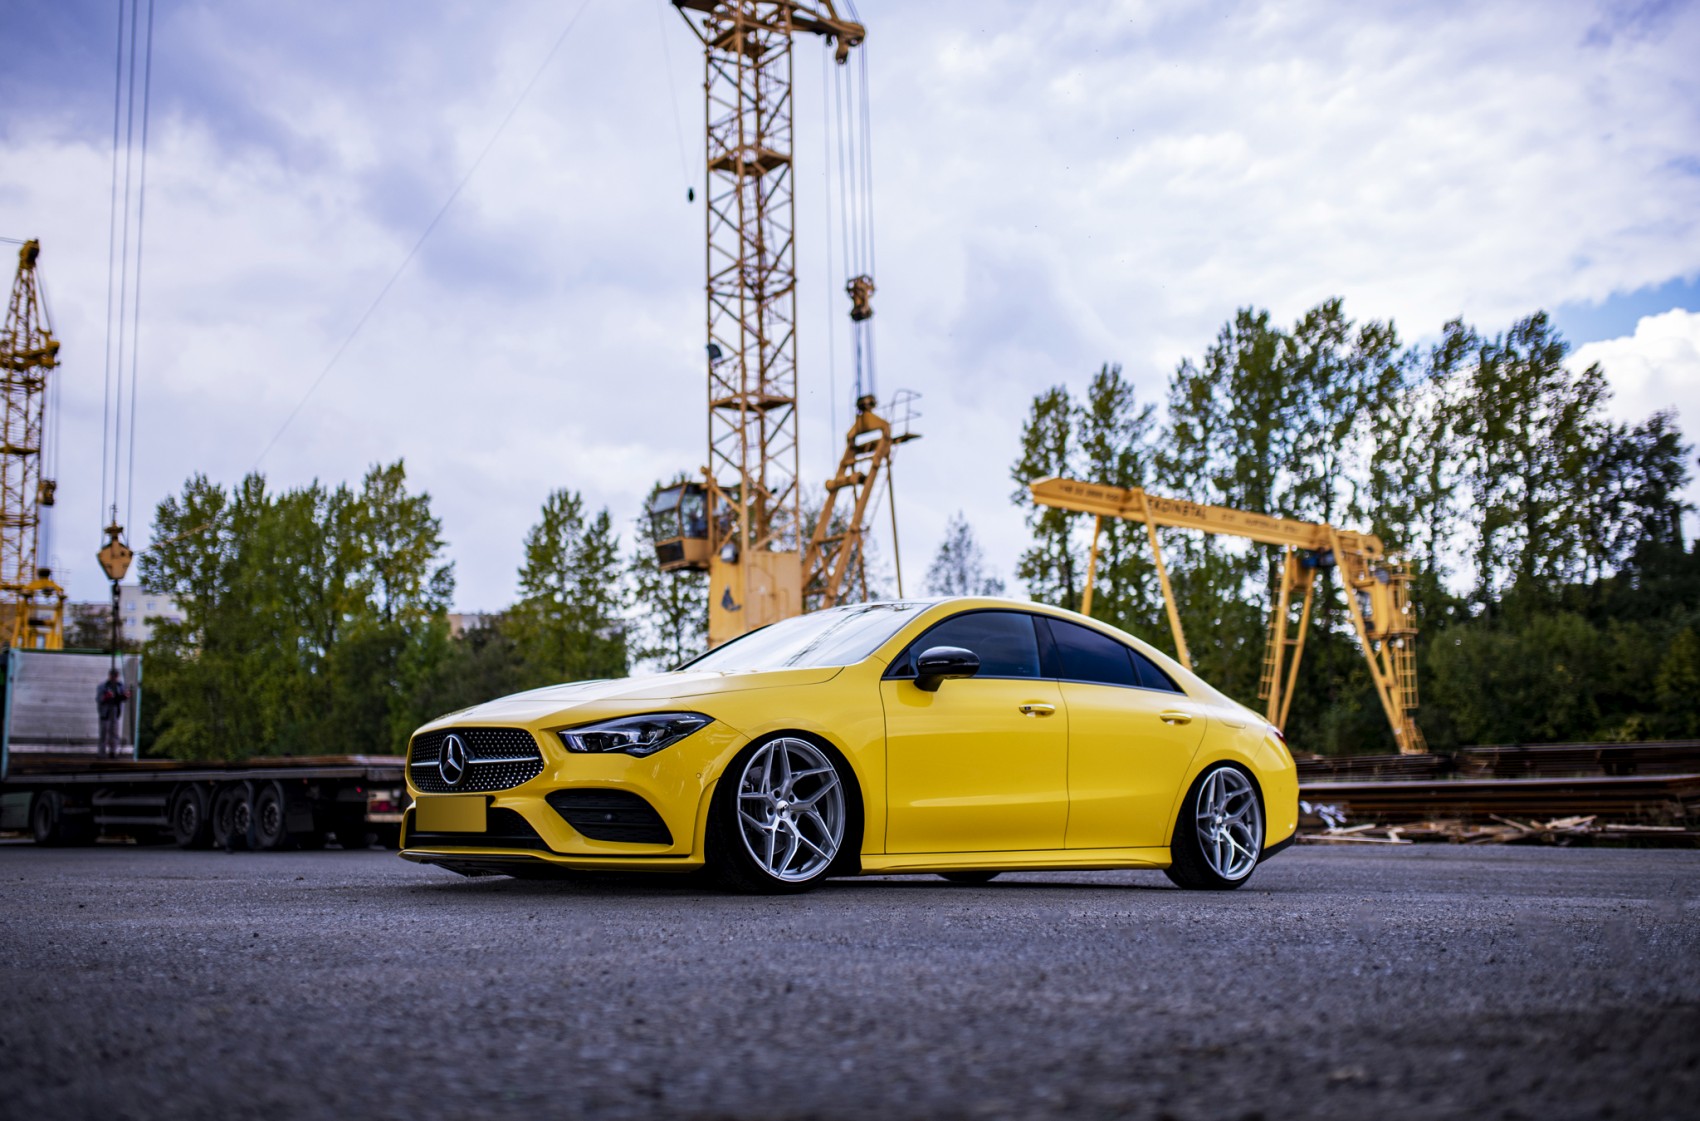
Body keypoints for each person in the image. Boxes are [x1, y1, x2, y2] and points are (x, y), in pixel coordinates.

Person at [97, 669, 129, 758]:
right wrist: (106, 697)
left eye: (116, 676)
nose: (114, 678)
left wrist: (125, 696)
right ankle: (101, 752)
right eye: (113, 675)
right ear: (110, 675)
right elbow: (99, 699)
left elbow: (123, 697)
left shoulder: (120, 685)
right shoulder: (103, 686)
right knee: (104, 733)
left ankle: (113, 751)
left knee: (114, 733)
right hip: (105, 713)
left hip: (115, 712)